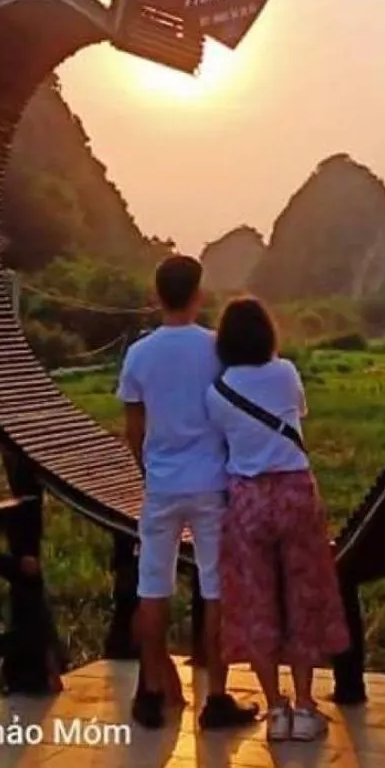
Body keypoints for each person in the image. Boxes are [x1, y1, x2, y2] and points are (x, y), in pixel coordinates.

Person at [118, 252, 258, 731]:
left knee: (152, 587)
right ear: (198, 295)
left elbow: (134, 428)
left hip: (162, 486)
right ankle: (216, 698)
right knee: (215, 589)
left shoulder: (139, 354)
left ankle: (151, 692)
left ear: (157, 295)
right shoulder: (217, 348)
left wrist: (150, 469)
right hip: (211, 484)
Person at [206, 296, 350, 742]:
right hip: (294, 493)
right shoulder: (286, 373)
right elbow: (299, 412)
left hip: (247, 499)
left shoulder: (217, 392)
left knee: (256, 602)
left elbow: (224, 440)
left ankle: (274, 710)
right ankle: (305, 707)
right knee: (304, 596)